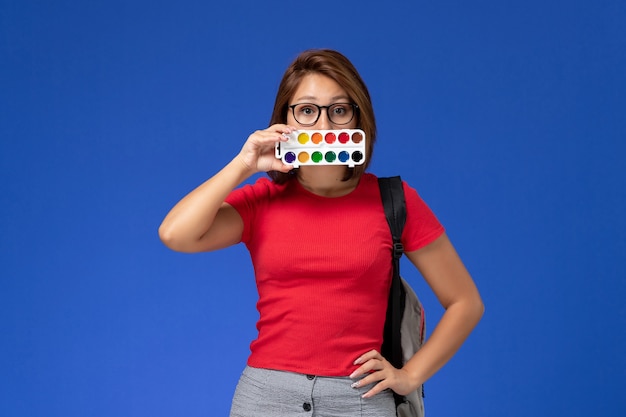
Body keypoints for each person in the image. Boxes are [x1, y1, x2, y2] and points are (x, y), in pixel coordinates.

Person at [159, 48, 484, 417]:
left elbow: (466, 303)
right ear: (285, 119)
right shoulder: (263, 200)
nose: (324, 127)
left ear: (359, 119)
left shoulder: (395, 202)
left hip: (360, 400)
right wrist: (243, 164)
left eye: (339, 110)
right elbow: (175, 234)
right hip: (266, 398)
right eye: (308, 111)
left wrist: (410, 375)